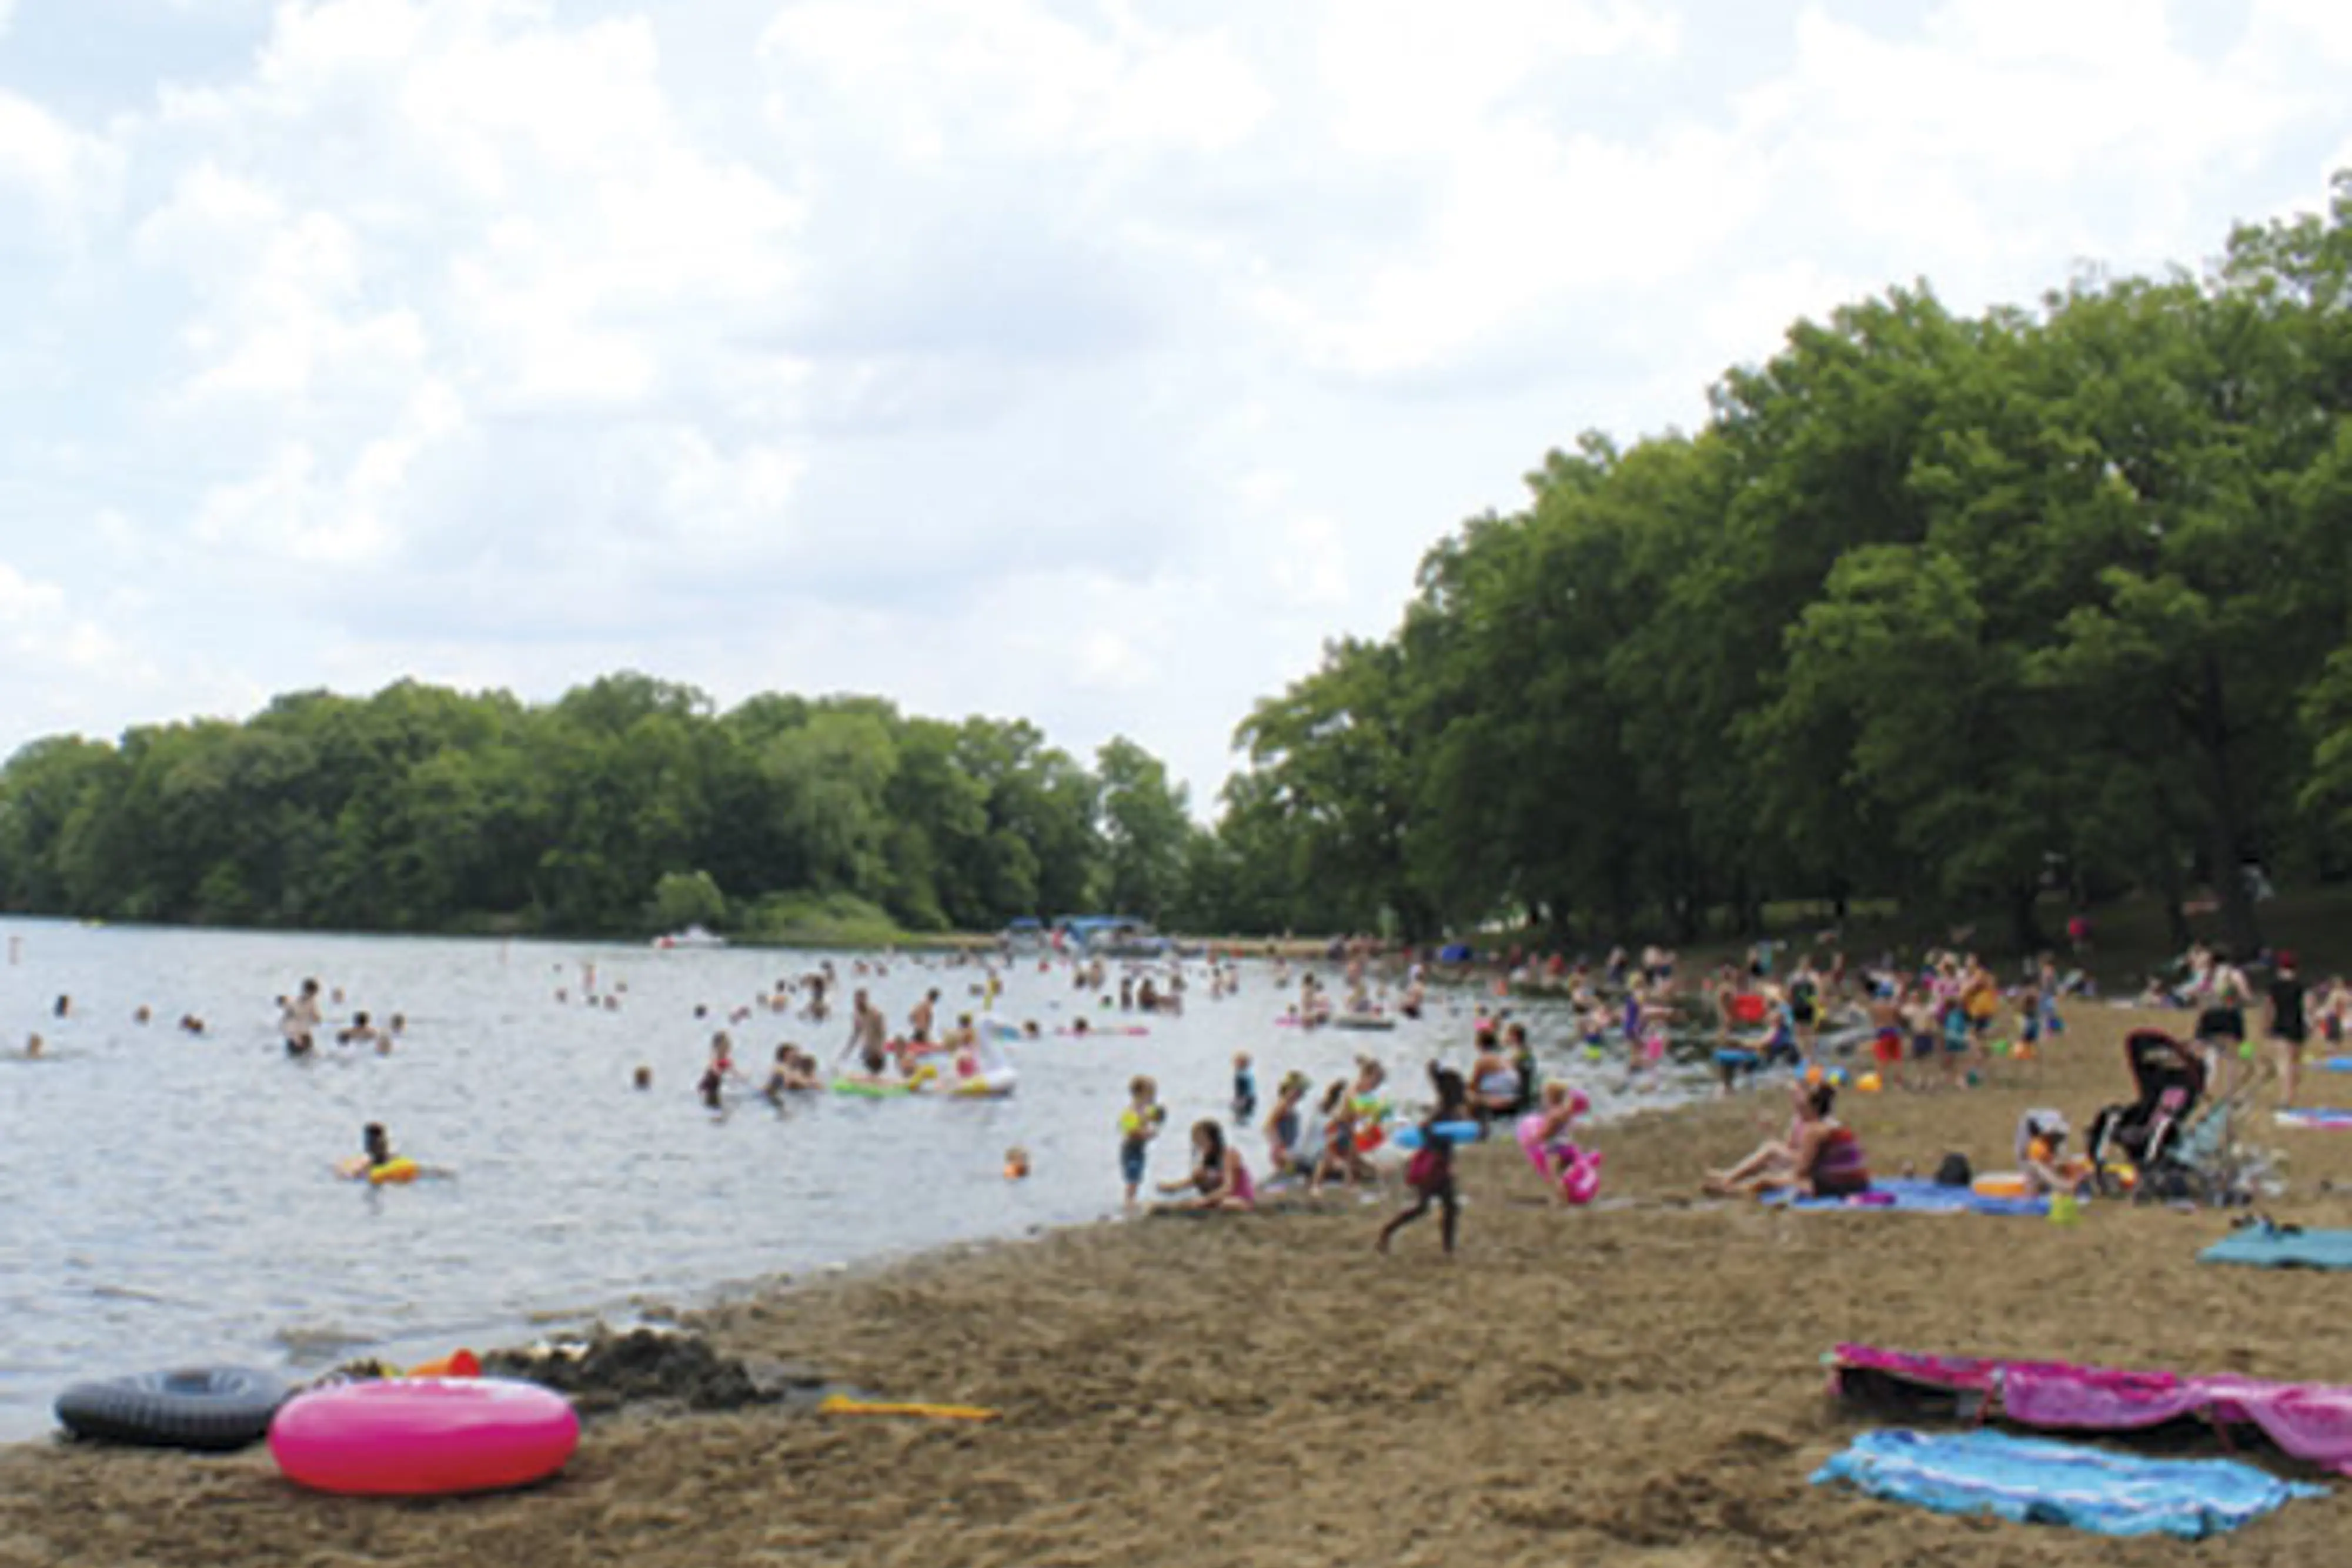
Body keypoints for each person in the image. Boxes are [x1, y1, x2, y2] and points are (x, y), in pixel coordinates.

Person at [1704, 1079, 1869, 1198]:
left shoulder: (1814, 1130)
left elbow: (1802, 1171)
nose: (1799, 1111)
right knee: (1773, 1174)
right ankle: (1730, 1183)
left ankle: (1733, 1191)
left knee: (1766, 1181)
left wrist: (1782, 1176)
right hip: (1858, 1183)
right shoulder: (1830, 1126)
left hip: (1838, 1186)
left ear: (1814, 1107)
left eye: (1803, 1107)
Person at [1378, 1065, 1470, 1256]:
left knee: (1448, 1206)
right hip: (1433, 1165)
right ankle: (1388, 1231)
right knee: (1426, 1207)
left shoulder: (1448, 1110)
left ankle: (1448, 1249)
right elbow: (1425, 1130)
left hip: (1440, 1164)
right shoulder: (1443, 1112)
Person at [1157, 1121, 1254, 1211]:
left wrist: (1206, 1199)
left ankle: (1203, 1204)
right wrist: (1172, 1187)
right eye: (1196, 1142)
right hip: (1219, 1197)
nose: (1199, 1146)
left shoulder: (1229, 1154)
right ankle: (1171, 1204)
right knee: (1198, 1174)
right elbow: (1193, 1180)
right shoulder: (1208, 1158)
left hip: (1239, 1197)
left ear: (1213, 1139)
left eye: (1201, 1141)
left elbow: (1228, 1187)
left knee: (1225, 1204)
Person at [2270, 951, 2309, 1108]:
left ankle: (2285, 1098)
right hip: (2297, 1026)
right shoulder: (2301, 986)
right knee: (2295, 1063)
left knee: (2283, 1063)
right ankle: (2292, 1095)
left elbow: (2269, 1008)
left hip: (2280, 1026)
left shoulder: (2274, 987)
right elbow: (2308, 1007)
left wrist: (2265, 1026)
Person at [1120, 1076, 1165, 1207]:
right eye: (1150, 1094)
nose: (1153, 1098)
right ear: (1138, 1094)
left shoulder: (1145, 1110)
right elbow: (1129, 1131)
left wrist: (1158, 1118)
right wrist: (1146, 1134)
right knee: (1133, 1174)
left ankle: (1132, 1199)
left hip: (1139, 1148)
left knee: (1138, 1175)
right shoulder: (1131, 1111)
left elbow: (1157, 1117)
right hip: (1130, 1148)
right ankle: (1129, 1201)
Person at [1232, 1051, 1257, 1124]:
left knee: (1242, 1115)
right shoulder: (1244, 1074)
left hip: (1246, 1100)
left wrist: (1242, 1100)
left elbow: (1246, 1090)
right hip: (1246, 1099)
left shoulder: (1243, 1075)